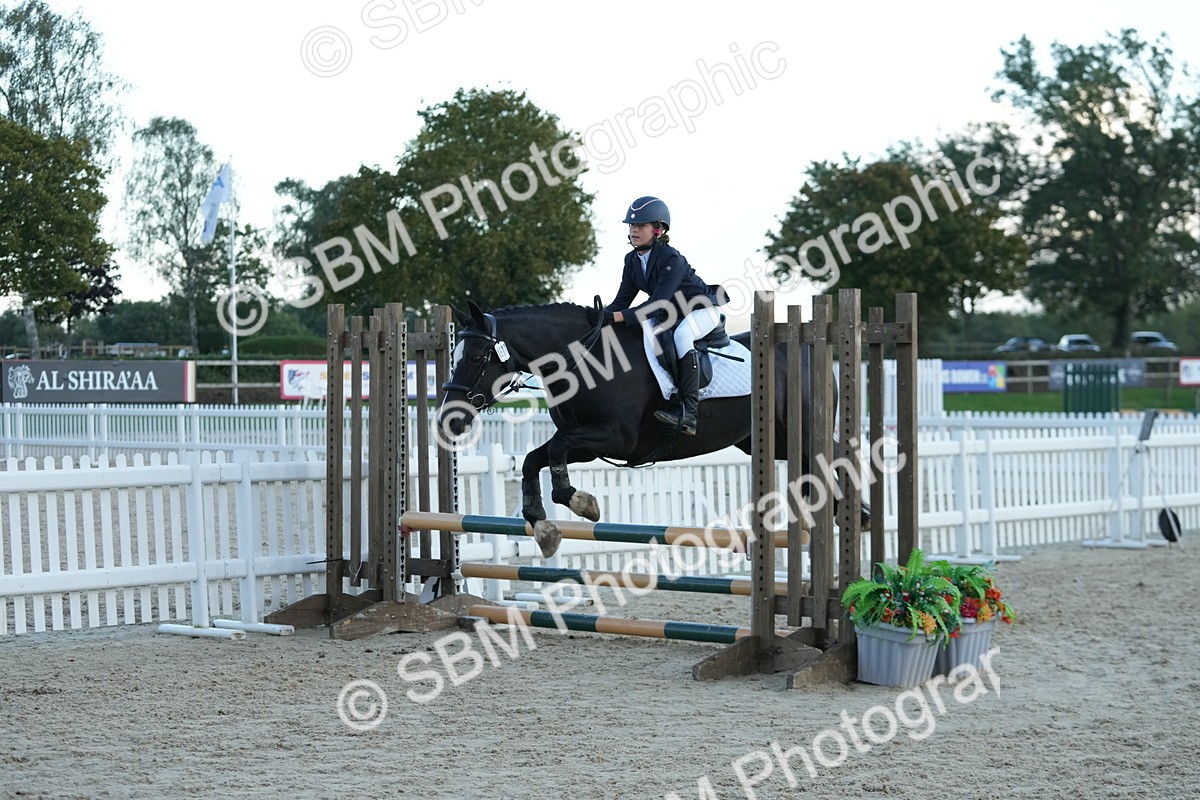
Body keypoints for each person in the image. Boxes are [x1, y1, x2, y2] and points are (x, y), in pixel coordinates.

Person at [602, 196, 725, 436]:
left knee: (682, 337)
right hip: (672, 313)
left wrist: (619, 317)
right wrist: (596, 317)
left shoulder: (671, 258)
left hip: (701, 309)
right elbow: (621, 302)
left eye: (641, 226)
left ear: (658, 229)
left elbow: (657, 304)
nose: (634, 230)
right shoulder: (632, 260)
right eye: (631, 226)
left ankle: (689, 413)